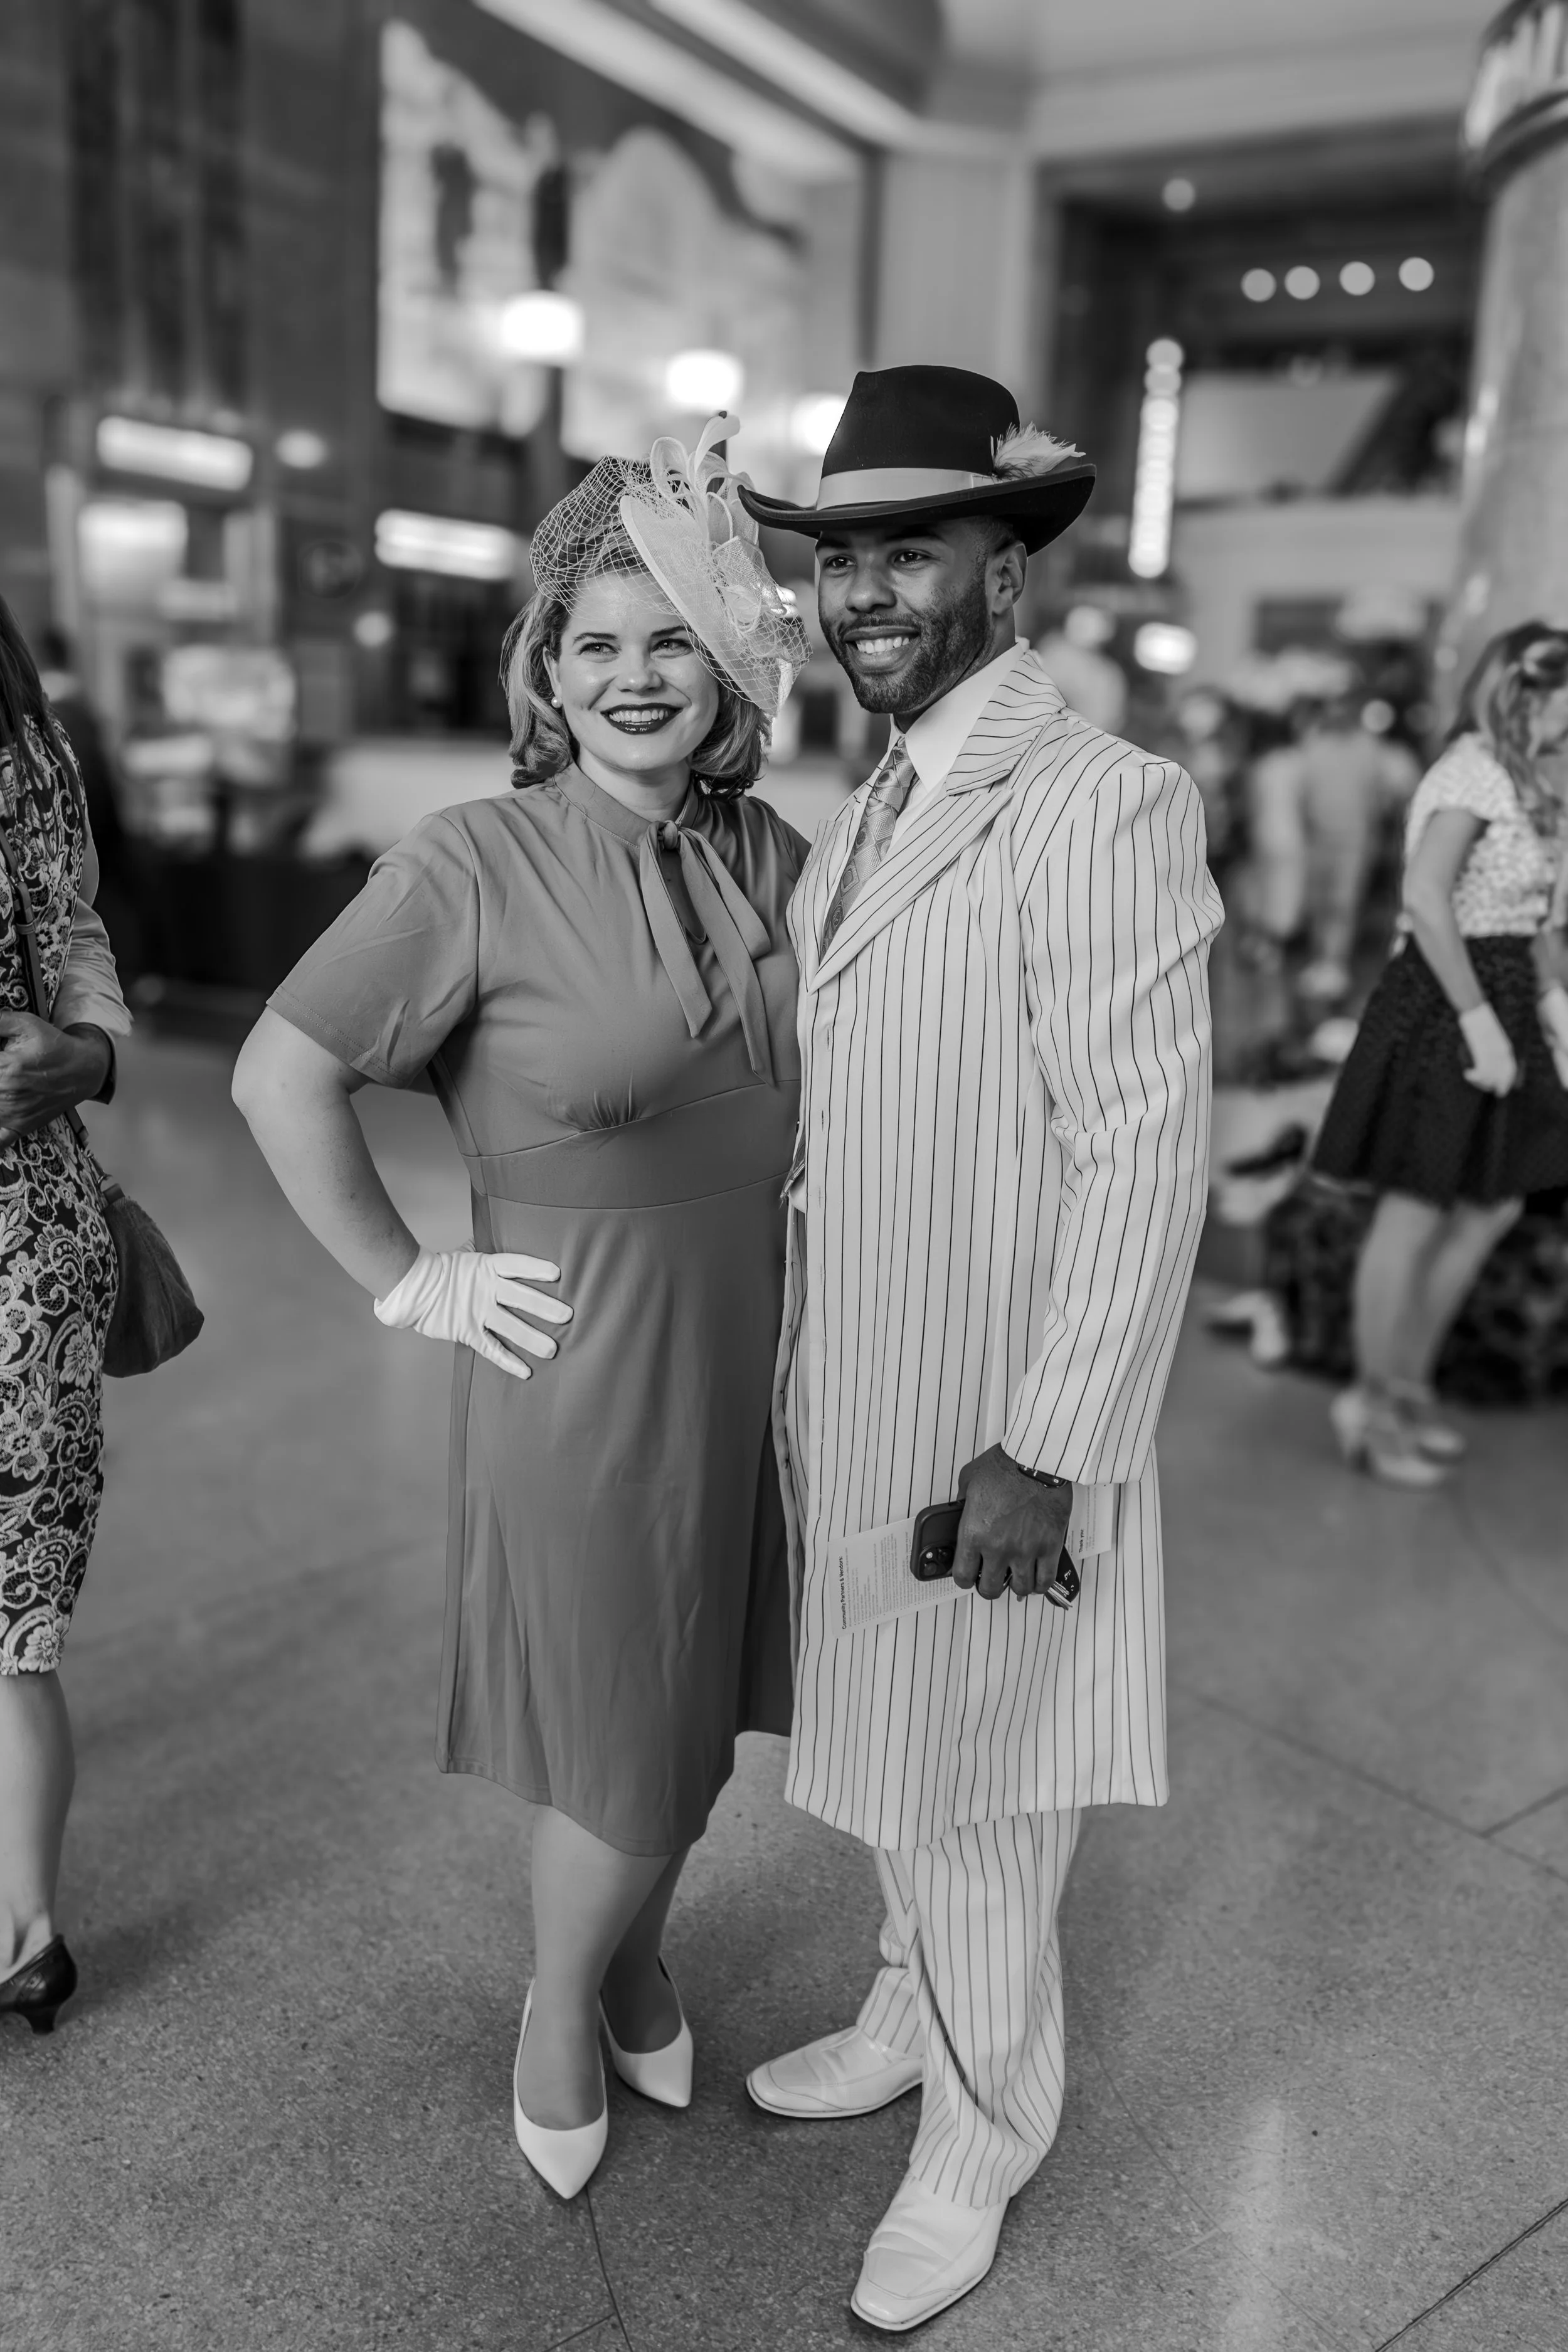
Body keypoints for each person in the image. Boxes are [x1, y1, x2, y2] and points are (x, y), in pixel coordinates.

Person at [231, 420, 809, 2198]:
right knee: (626, 1725)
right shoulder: (468, 859)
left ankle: (636, 1948)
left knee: (699, 1706)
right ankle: (561, 1999)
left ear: (727, 671)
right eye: (594, 646)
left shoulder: (768, 850)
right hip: (585, 1362)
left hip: (747, 1349)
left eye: (670, 643)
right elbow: (276, 1072)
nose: (634, 677)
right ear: (546, 676)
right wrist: (410, 1273)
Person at [738, 367, 1222, 2331]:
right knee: (898, 1755)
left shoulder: (1100, 798)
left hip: (993, 1412)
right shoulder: (872, 796)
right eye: (839, 556)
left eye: (907, 552)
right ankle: (897, 2007)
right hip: (861, 1380)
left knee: (987, 1780)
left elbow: (1142, 1147)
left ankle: (984, 2122)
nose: (861, 592)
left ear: (1003, 575)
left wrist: (1048, 1442)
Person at [1312, 621, 1568, 1485]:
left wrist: (1550, 1005)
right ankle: (1372, 1402)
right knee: (1416, 1208)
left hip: (1502, 988)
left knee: (1487, 1205)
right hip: (1444, 994)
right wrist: (1481, 1020)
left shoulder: (1532, 776)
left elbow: (1537, 917)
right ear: (1519, 692)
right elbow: (1426, 894)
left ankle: (1409, 1384)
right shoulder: (1473, 768)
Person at [0, 595, 134, 2036]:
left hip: (20, 1228)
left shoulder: (25, 751)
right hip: (29, 1226)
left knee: (9, 1615)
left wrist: (88, 1056)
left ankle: (27, 1926)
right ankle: (20, 1930)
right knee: (9, 1616)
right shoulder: (31, 750)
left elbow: (82, 958)